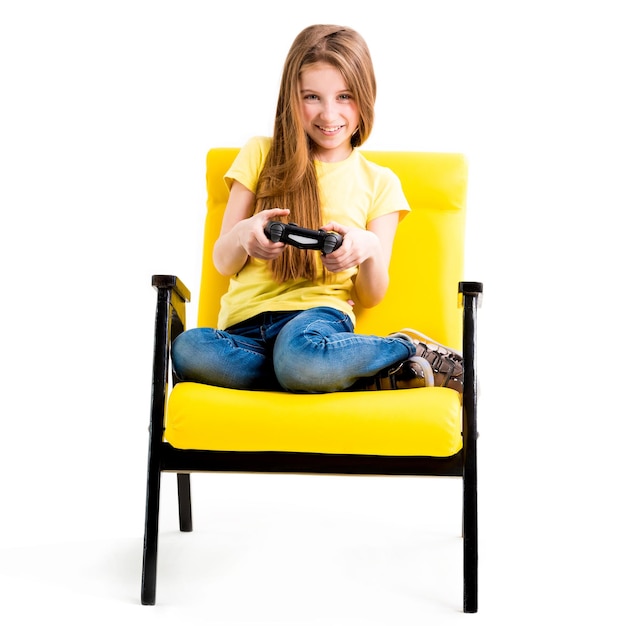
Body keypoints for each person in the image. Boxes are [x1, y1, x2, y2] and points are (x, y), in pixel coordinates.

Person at [172, 24, 463, 394]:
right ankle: (316, 375)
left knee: (300, 355)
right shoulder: (260, 154)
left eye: (344, 96)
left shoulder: (380, 182)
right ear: (291, 98)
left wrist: (368, 247)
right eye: (312, 97)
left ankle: (405, 347)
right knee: (188, 349)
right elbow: (222, 261)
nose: (329, 115)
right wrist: (245, 236)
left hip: (316, 322)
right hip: (244, 333)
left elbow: (372, 294)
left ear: (366, 96)